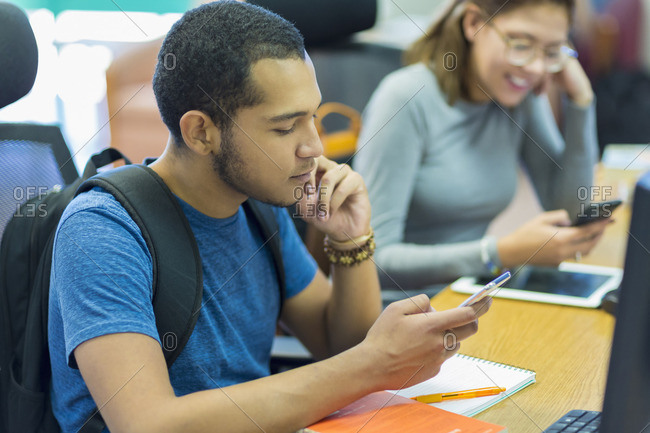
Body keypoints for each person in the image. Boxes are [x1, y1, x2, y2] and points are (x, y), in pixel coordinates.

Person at [48, 2, 491, 432]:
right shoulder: (103, 231)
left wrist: (350, 241)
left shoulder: (258, 204)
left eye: (313, 118)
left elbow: (341, 345)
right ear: (201, 132)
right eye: (285, 127)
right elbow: (148, 423)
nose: (314, 146)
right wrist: (371, 364)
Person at [353, 0, 610, 292]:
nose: (537, 67)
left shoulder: (518, 96)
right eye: (521, 44)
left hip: (468, 297)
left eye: (552, 52)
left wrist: (582, 100)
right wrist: (497, 254)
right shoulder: (405, 99)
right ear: (474, 23)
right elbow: (372, 262)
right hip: (400, 312)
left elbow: (567, 211)